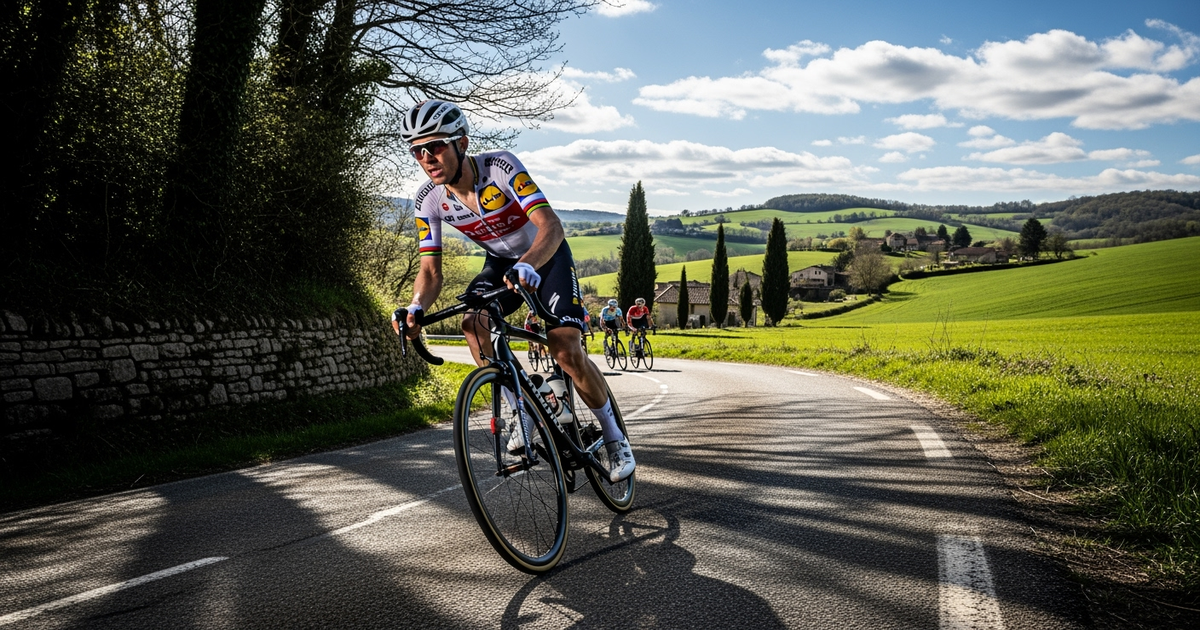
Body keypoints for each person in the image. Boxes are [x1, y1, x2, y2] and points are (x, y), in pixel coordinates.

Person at [395, 100, 633, 482]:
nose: (427, 157)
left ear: (462, 143)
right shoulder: (429, 200)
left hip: (546, 254)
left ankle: (614, 439)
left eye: (436, 146)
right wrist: (415, 306)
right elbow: (430, 271)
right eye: (417, 151)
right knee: (473, 322)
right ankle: (520, 412)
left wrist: (529, 263)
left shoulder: (501, 167)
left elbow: (551, 226)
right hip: (500, 263)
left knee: (565, 351)